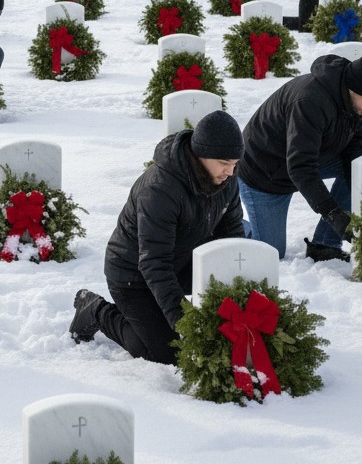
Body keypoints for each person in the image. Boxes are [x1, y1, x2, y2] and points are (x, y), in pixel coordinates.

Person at [68, 111, 244, 365]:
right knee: (164, 353)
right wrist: (186, 323)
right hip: (132, 273)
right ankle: (95, 309)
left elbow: (233, 235)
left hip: (183, 260)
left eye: (235, 163)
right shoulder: (160, 188)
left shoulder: (226, 178)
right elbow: (153, 263)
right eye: (224, 163)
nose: (230, 171)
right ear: (201, 154)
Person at [238, 54, 362, 261]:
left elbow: (359, 151)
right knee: (271, 252)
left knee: (359, 169)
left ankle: (324, 245)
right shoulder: (310, 101)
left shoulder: (356, 106)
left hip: (309, 158)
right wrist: (333, 214)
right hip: (264, 173)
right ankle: (228, 225)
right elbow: (300, 167)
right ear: (354, 89)